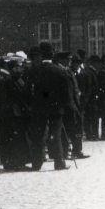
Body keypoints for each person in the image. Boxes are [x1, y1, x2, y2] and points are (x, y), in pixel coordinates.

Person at [27, 42, 73, 170]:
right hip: (56, 109)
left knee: (38, 135)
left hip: (39, 109)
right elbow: (66, 93)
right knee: (56, 135)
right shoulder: (60, 71)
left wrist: (32, 104)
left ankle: (37, 163)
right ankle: (59, 162)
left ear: (41, 55)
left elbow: (28, 90)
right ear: (52, 55)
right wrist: (66, 106)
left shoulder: (33, 71)